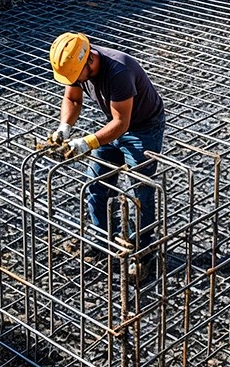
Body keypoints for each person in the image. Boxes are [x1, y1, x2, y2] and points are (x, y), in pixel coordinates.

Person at [48, 32, 165, 277]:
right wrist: (64, 127)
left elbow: (122, 122)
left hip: (143, 128)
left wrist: (87, 142)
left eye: (74, 76)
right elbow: (72, 98)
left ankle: (143, 252)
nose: (73, 81)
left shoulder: (119, 71)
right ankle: (103, 243)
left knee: (139, 190)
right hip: (114, 123)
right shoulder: (76, 64)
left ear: (89, 61)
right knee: (96, 183)